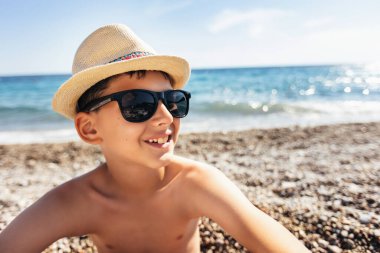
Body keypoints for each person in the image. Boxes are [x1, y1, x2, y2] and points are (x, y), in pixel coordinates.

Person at [0, 24, 310, 253]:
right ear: (90, 129)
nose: (165, 116)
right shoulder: (76, 202)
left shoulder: (195, 184)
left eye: (173, 101)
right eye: (138, 104)